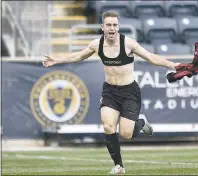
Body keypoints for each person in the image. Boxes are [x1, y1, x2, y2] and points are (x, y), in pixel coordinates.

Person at [43, 11, 180, 175]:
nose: (112, 28)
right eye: (108, 25)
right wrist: (57, 60)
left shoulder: (128, 44)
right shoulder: (96, 44)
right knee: (108, 126)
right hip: (110, 91)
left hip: (129, 92)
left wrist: (174, 66)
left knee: (126, 134)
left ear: (119, 27)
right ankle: (119, 166)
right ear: (102, 27)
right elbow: (79, 56)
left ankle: (141, 122)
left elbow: (151, 57)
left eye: (115, 25)